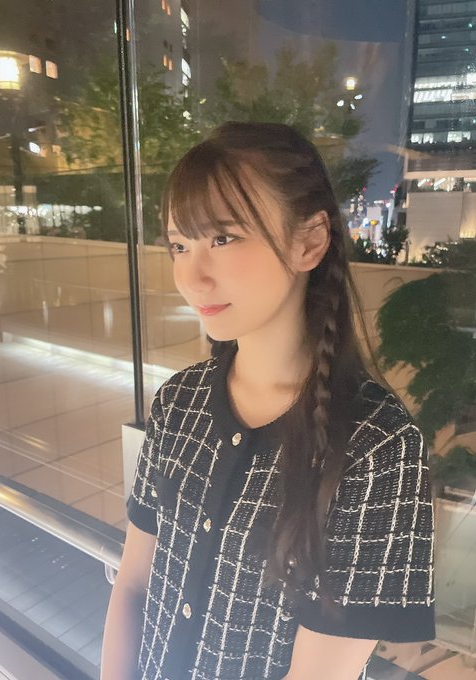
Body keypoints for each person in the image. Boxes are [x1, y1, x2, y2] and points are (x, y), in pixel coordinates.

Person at [101, 122, 435, 680]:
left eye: (223, 239)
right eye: (180, 245)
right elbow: (135, 585)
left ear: (309, 241)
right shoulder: (178, 401)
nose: (192, 277)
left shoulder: (378, 448)